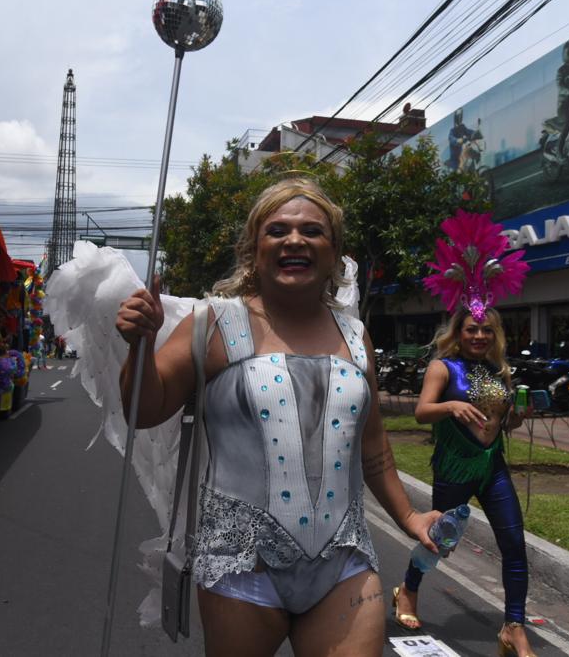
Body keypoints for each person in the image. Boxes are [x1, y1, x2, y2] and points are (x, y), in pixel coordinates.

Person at [116, 178, 441, 656]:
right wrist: (140, 347)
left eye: (312, 231)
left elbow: (373, 448)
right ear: (254, 248)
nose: (295, 240)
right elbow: (143, 411)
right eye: (278, 230)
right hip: (239, 568)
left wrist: (410, 516)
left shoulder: (355, 336)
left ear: (333, 253)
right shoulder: (211, 324)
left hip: (344, 561)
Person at [394, 209, 532, 656]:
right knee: (439, 541)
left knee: (514, 543)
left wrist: (515, 418)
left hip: (491, 468)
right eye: (471, 328)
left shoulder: (498, 370)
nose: (477, 335)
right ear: (459, 330)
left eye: (485, 329)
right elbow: (421, 412)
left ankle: (513, 627)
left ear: (494, 334)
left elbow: (499, 421)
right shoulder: (443, 366)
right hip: (454, 467)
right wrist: (450, 404)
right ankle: (408, 588)